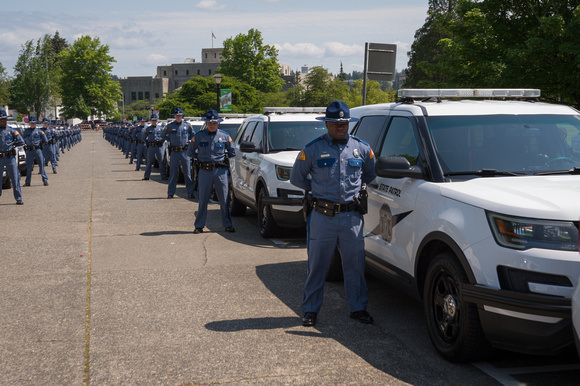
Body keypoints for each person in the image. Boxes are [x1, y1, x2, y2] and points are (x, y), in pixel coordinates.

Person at [290, 101, 376, 327]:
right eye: (336, 123)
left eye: (344, 123)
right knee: (317, 265)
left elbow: (369, 174)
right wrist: (318, 188)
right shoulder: (312, 149)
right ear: (327, 123)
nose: (340, 127)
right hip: (322, 216)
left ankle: (358, 308)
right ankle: (310, 311)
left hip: (351, 217)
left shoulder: (362, 148)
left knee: (355, 265)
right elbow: (297, 178)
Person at [187, 109, 235, 233]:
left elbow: (232, 152)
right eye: (210, 123)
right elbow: (190, 152)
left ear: (218, 123)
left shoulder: (224, 136)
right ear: (206, 123)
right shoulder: (198, 136)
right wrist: (200, 160)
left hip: (220, 171)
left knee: (224, 199)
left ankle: (227, 224)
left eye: (214, 123)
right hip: (204, 171)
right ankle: (199, 226)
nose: (212, 125)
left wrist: (224, 160)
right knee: (203, 200)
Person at [164, 107, 195, 199]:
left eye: (180, 115)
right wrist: (171, 141)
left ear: (182, 116)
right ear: (174, 116)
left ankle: (190, 192)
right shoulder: (169, 126)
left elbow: (193, 135)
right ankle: (170, 193)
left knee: (188, 174)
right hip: (174, 152)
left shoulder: (188, 125)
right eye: (177, 115)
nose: (178, 117)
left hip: (185, 152)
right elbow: (163, 135)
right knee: (173, 174)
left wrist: (189, 141)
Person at [0, 109, 25, 204]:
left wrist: (13, 146)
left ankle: (18, 198)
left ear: (6, 120)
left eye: (3, 119)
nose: (2, 121)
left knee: (15, 178)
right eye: (0, 120)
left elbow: (21, 141)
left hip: (10, 157)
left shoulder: (12, 131)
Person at [23, 117, 49, 186]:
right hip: (29, 150)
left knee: (41, 165)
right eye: (31, 123)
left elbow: (45, 140)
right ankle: (27, 182)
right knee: (29, 167)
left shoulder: (39, 131)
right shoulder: (26, 131)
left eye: (33, 123)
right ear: (29, 123)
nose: (32, 124)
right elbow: (22, 139)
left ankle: (45, 180)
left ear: (36, 123)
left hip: (37, 149)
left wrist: (41, 143)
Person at [142, 113, 167, 181]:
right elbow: (144, 138)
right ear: (150, 121)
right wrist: (148, 143)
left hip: (159, 146)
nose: (154, 121)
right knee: (149, 162)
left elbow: (164, 136)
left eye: (155, 120)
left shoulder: (161, 128)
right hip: (151, 146)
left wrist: (161, 141)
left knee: (161, 161)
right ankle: (146, 176)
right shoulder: (148, 129)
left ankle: (163, 176)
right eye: (153, 120)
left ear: (157, 121)